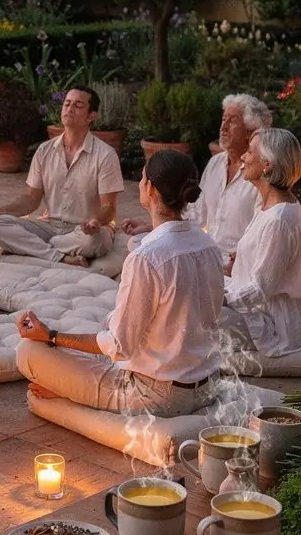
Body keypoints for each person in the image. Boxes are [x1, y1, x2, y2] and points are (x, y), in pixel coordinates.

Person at [16, 150, 223, 416]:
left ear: (150, 188)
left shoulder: (147, 258)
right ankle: (74, 385)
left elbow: (119, 346)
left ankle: (72, 390)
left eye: (142, 177)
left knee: (29, 352)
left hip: (156, 396)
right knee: (96, 333)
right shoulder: (208, 245)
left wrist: (51, 336)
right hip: (206, 385)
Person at [0, 85, 124, 267]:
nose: (70, 108)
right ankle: (60, 256)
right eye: (67, 104)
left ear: (91, 116)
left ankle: (37, 249)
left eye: (78, 105)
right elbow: (31, 199)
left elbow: (109, 207)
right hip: (49, 227)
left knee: (98, 240)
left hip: (83, 231)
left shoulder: (105, 155)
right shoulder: (44, 150)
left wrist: (96, 221)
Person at [122, 93, 271, 261]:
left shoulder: (259, 174)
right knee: (139, 245)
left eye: (232, 121)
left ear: (250, 131)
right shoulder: (216, 163)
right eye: (224, 119)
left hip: (235, 263)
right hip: (204, 252)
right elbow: (197, 215)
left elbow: (259, 233)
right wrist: (152, 227)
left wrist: (238, 261)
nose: (223, 127)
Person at [222, 128, 301, 357]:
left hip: (275, 326)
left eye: (249, 151)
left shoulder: (279, 219)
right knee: (195, 286)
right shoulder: (270, 205)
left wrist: (219, 299)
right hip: (259, 308)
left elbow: (260, 289)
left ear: (267, 164)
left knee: (192, 312)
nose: (243, 157)